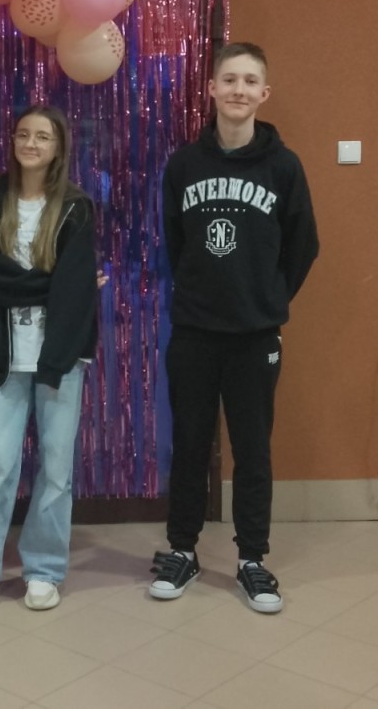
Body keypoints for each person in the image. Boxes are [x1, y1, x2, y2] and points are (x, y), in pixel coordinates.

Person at [149, 42, 319, 614]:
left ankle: (252, 560)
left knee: (252, 449)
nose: (238, 90)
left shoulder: (284, 167)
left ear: (264, 94)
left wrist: (266, 298)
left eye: (249, 81)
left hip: (254, 335)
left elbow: (304, 245)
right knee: (191, 445)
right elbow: (175, 241)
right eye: (229, 79)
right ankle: (182, 550)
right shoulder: (184, 165)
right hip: (195, 332)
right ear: (212, 89)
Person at [0, 106, 99, 616]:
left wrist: (66, 287)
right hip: (4, 354)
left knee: (56, 468)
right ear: (13, 141)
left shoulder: (77, 207)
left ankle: (44, 569)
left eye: (42, 136)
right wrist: (52, 284)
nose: (31, 143)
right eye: (23, 134)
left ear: (58, 147)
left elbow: (76, 291)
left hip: (60, 356)